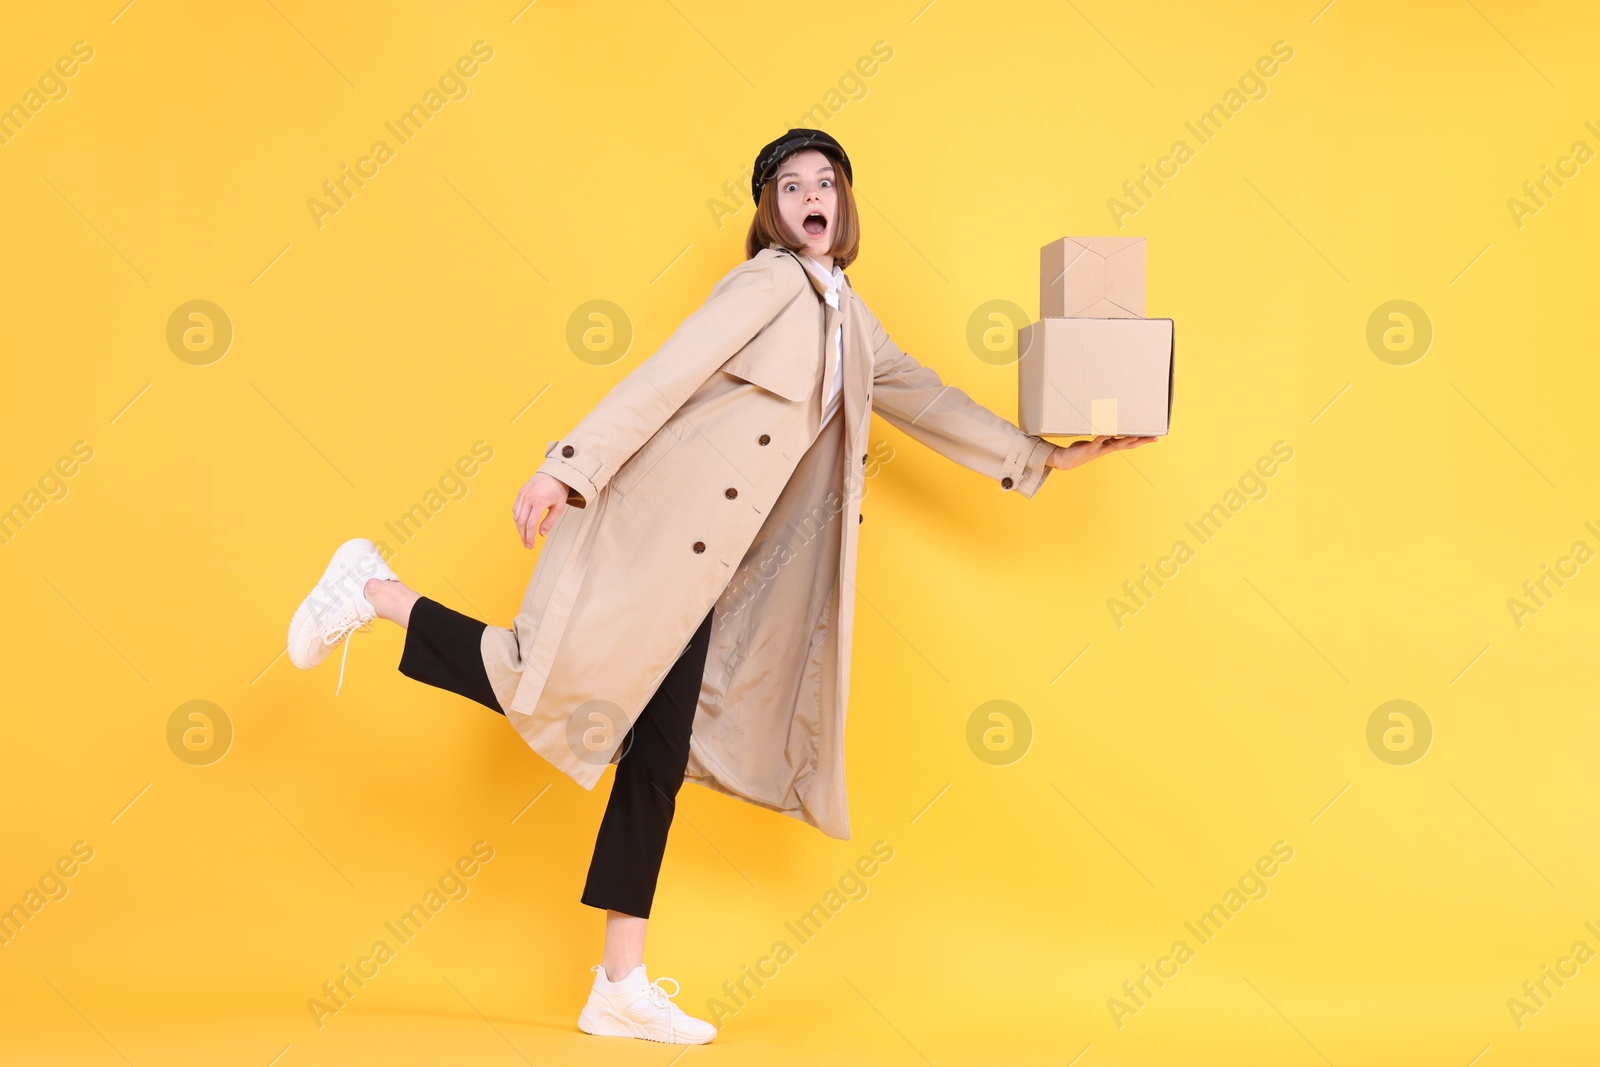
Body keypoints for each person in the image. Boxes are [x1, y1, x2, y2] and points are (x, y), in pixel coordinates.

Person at [285, 128, 1155, 1045]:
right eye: (791, 186)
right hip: (653, 535)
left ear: (845, 203)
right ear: (771, 211)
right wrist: (566, 467)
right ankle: (373, 589)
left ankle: (618, 984)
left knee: (653, 760)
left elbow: (929, 400)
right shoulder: (766, 284)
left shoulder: (853, 319)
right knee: (537, 679)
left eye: (826, 183)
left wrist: (1048, 460)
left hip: (712, 574)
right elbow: (667, 374)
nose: (811, 197)